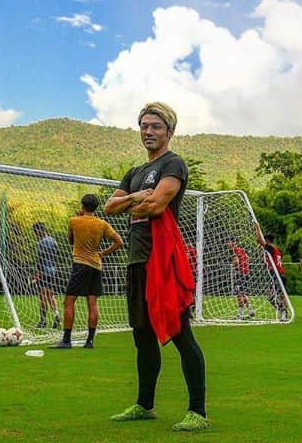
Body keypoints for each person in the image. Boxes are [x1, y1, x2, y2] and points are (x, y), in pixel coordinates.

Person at [104, 102, 208, 432]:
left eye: (156, 126)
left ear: (169, 132)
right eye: (144, 126)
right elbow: (109, 206)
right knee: (142, 336)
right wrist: (135, 198)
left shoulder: (173, 163)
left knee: (180, 334)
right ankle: (145, 405)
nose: (149, 131)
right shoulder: (134, 172)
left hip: (161, 262)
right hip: (136, 260)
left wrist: (135, 201)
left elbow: (157, 204)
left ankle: (198, 412)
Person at [51, 193, 123, 349]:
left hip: (80, 264)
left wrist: (78, 220)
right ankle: (90, 341)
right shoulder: (102, 224)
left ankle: (66, 340)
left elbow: (71, 241)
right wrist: (102, 253)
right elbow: (119, 242)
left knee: (69, 301)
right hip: (96, 266)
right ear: (96, 207)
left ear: (82, 205)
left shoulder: (74, 221)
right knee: (92, 303)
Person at [254, 222, 289, 321]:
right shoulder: (275, 249)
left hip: (278, 274)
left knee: (281, 295)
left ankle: (284, 313)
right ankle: (282, 310)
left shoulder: (271, 248)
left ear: (267, 240)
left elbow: (258, 240)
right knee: (270, 296)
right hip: (276, 274)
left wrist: (258, 227)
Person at [33, 222, 60, 329]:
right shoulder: (53, 241)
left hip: (44, 271)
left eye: (35, 232)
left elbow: (40, 259)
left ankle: (43, 321)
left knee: (42, 296)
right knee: (51, 295)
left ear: (39, 231)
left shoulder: (41, 243)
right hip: (53, 271)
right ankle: (56, 314)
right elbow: (55, 256)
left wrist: (38, 273)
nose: (35, 234)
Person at [228, 238, 255, 319]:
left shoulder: (234, 251)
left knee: (239, 295)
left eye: (229, 242)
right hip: (246, 273)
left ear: (233, 242)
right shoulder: (241, 250)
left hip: (240, 273)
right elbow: (246, 258)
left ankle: (240, 314)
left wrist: (234, 269)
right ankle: (250, 311)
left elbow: (236, 261)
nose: (227, 244)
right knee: (243, 293)